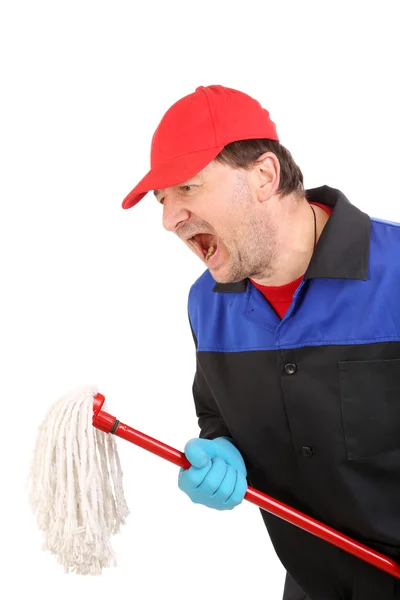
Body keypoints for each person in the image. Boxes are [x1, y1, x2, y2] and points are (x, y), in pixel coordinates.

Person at [121, 85, 400, 599]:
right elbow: (218, 416)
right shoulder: (208, 304)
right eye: (162, 201)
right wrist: (220, 448)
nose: (168, 219)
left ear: (265, 176)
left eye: (187, 188)